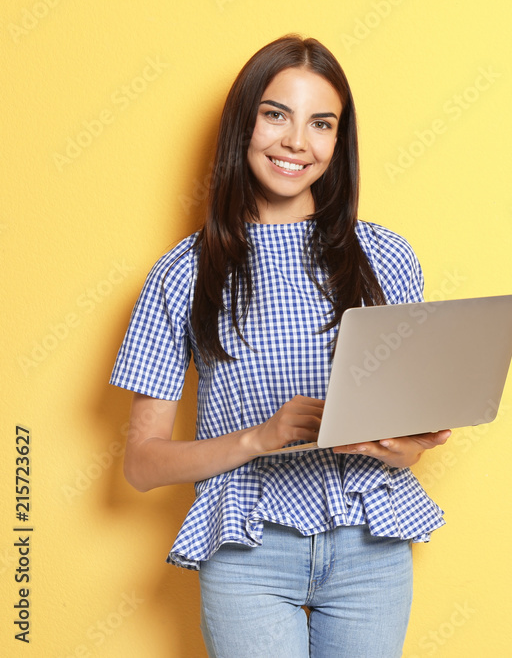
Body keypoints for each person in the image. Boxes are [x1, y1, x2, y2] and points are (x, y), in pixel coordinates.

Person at [109, 34, 450, 657]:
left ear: (338, 142)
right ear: (243, 124)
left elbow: (403, 449)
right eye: (276, 115)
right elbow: (142, 463)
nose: (297, 142)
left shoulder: (387, 257)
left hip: (370, 548)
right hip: (249, 552)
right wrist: (260, 438)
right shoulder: (184, 272)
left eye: (321, 124)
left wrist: (407, 448)